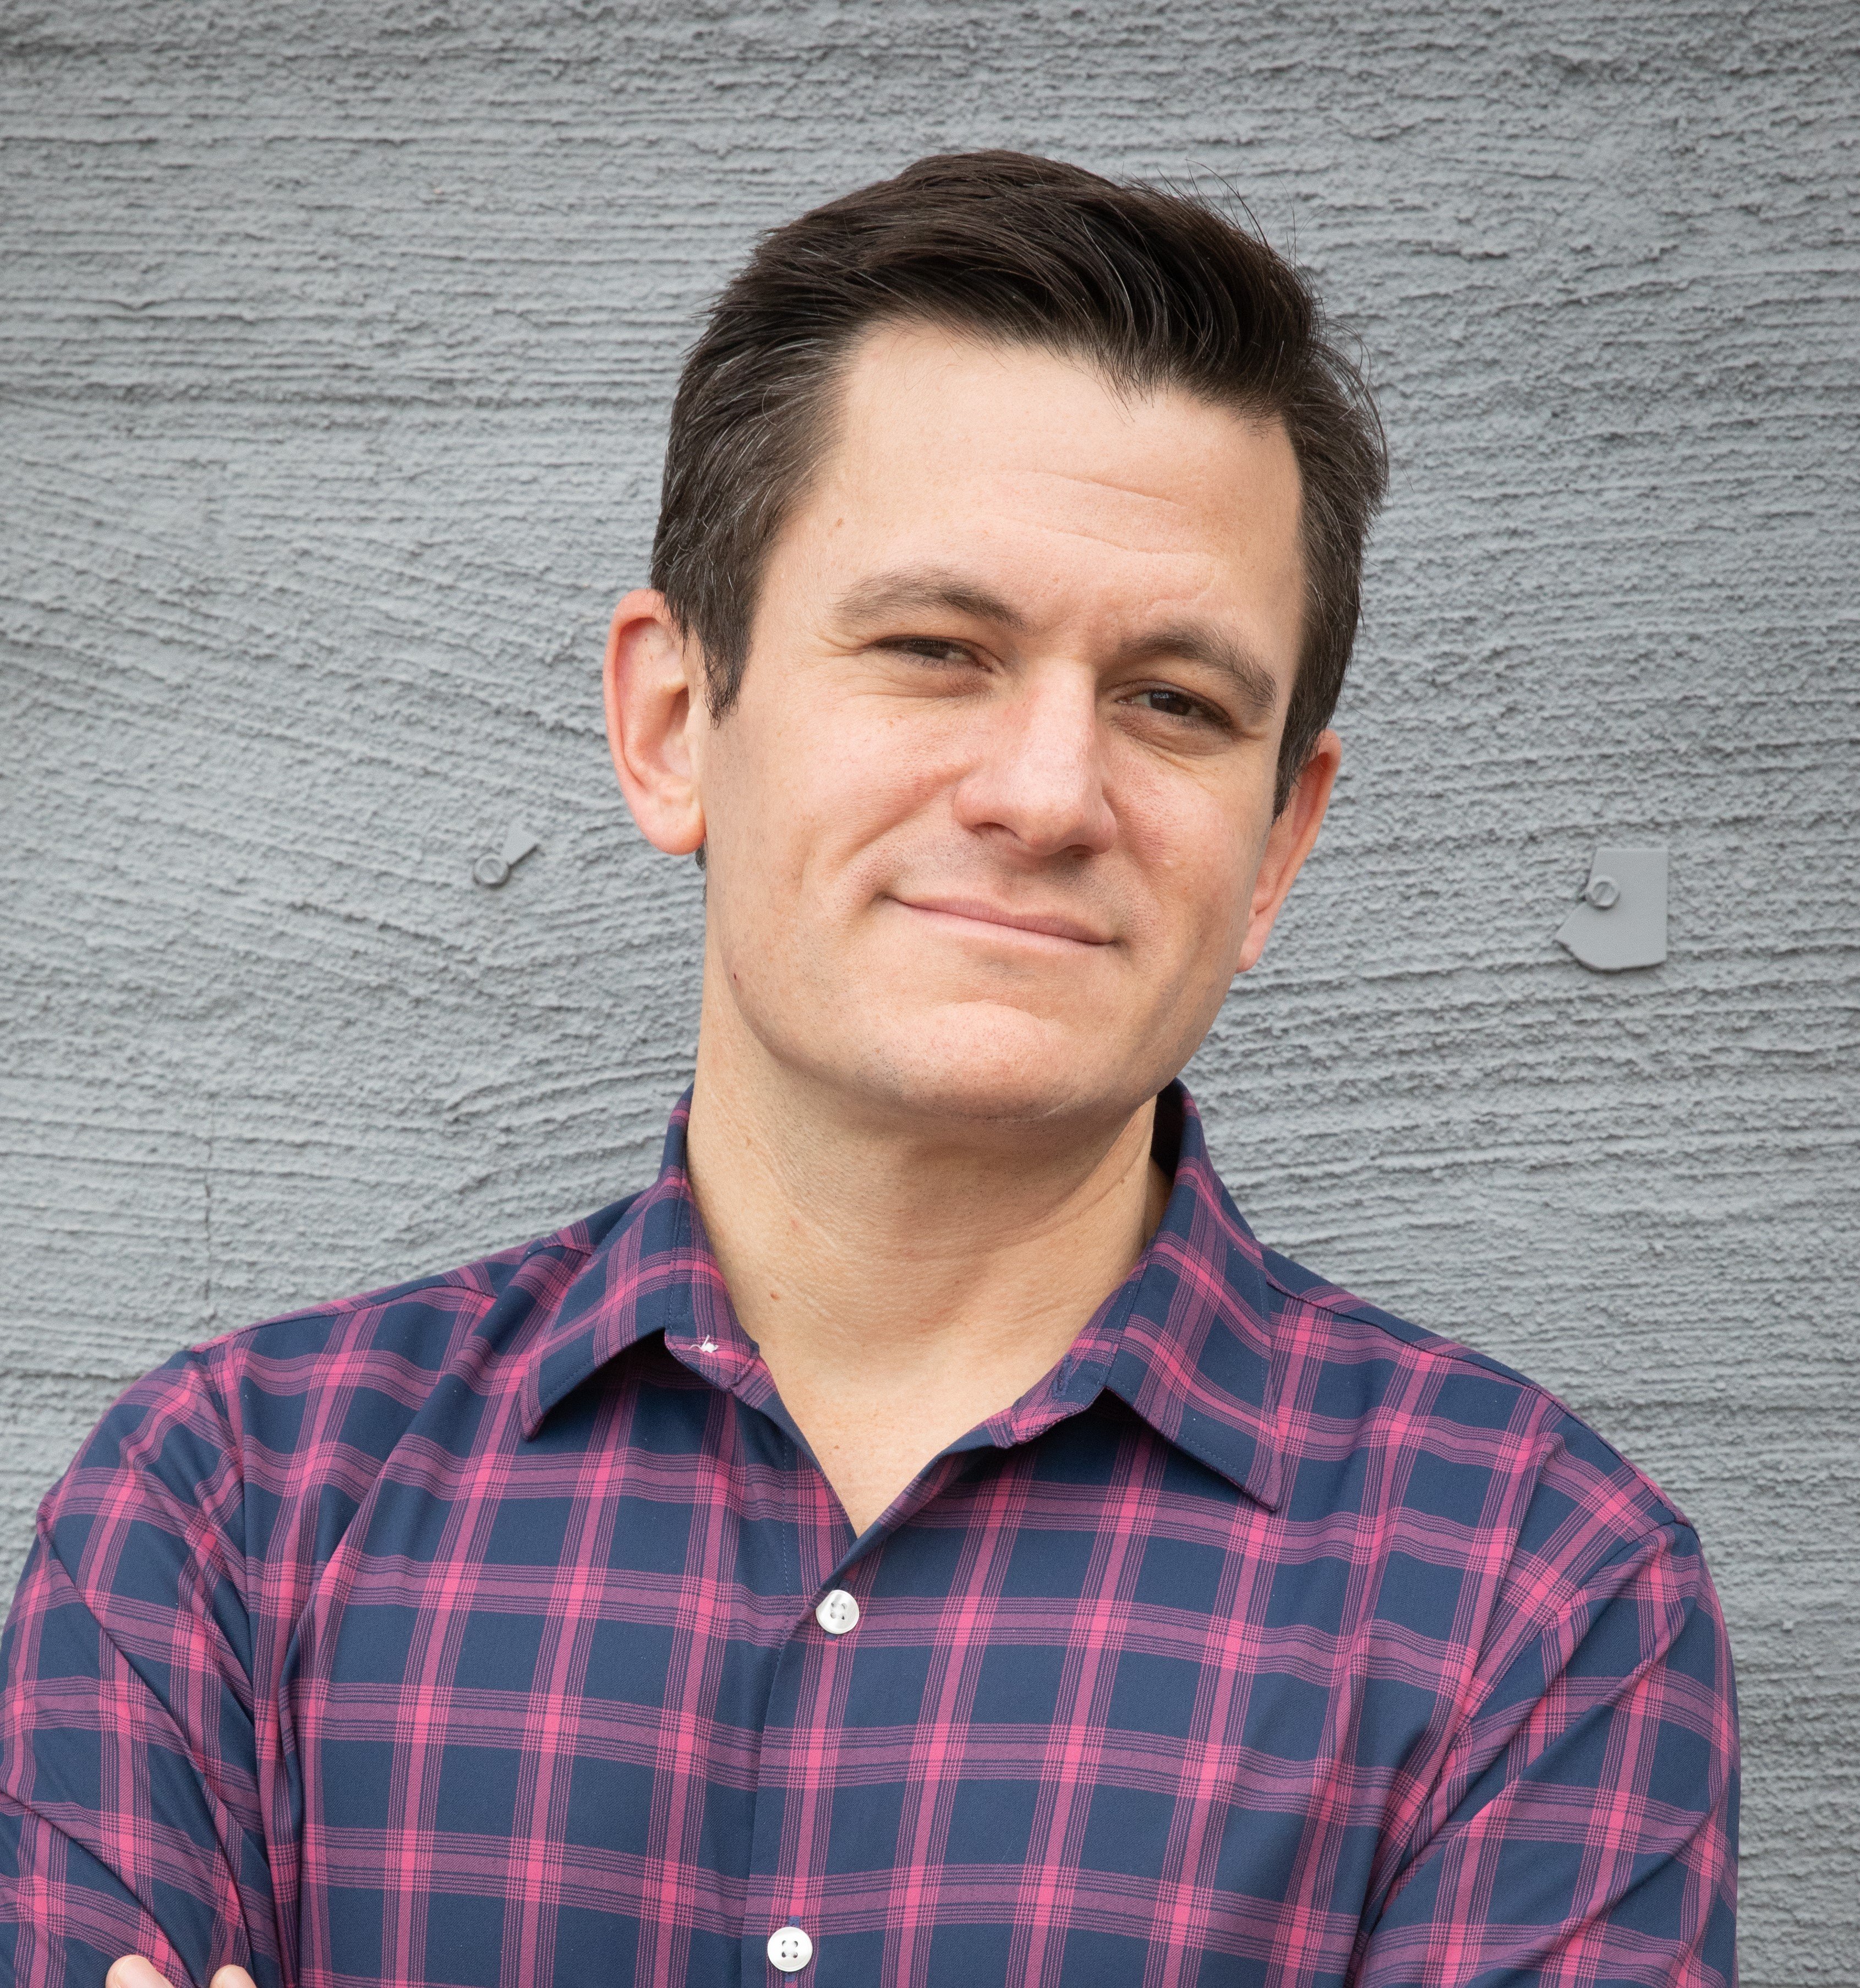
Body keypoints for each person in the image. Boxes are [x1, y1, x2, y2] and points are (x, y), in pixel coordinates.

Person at [0, 152, 1736, 1988]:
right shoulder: (228, 1515)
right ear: (674, 721)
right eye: (934, 650)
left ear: (1276, 843)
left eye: (1173, 700)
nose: (1046, 794)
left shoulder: (1535, 1596)